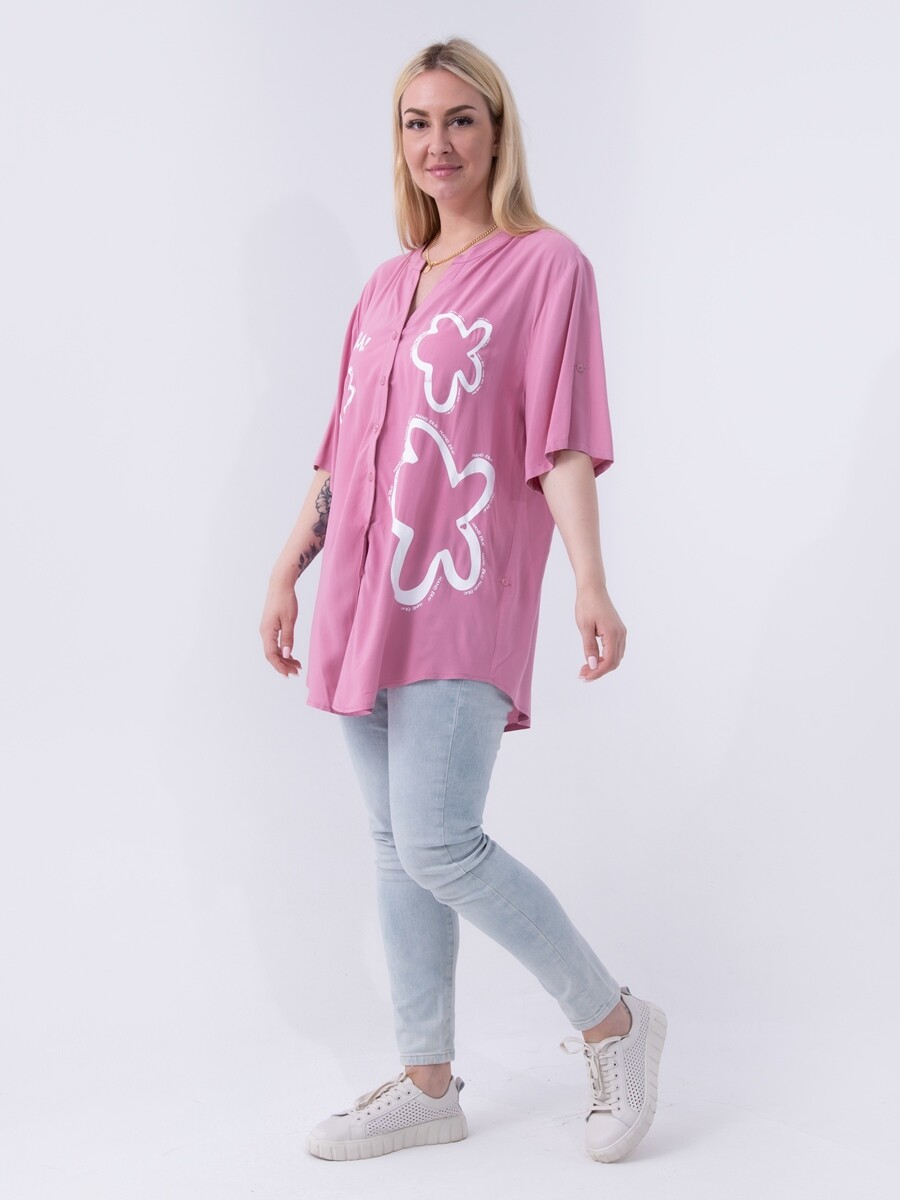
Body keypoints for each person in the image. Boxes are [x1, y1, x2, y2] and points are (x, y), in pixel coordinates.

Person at [259, 37, 666, 1164]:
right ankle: (428, 1082)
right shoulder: (384, 286)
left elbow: (564, 439)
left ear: (497, 132)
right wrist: (288, 565)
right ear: (399, 141)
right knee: (398, 846)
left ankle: (615, 1023)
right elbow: (342, 447)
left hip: (459, 586)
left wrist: (590, 579)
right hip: (358, 599)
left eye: (459, 120)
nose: (437, 144)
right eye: (416, 122)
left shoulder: (547, 267)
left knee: (441, 843)